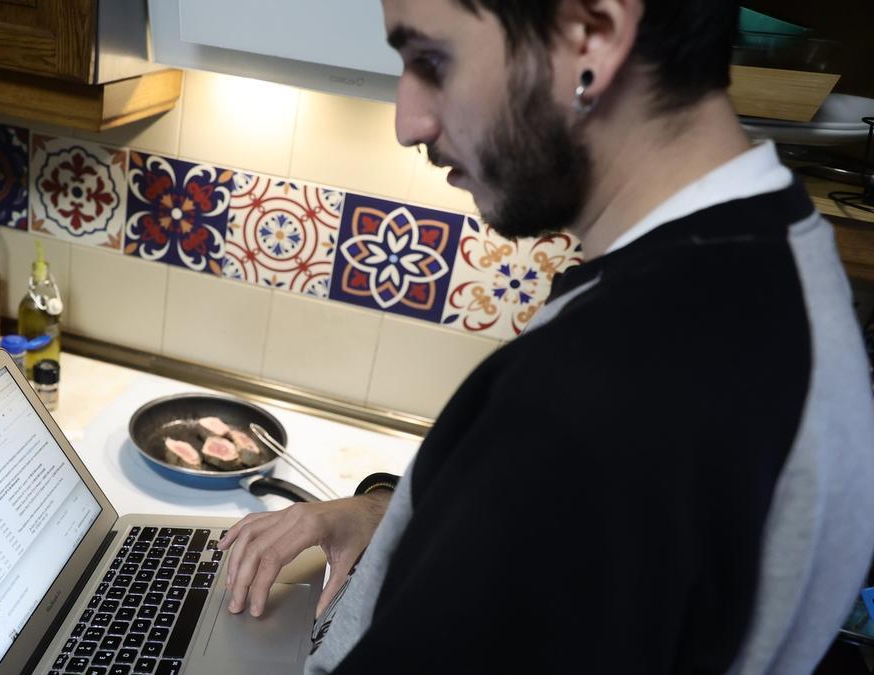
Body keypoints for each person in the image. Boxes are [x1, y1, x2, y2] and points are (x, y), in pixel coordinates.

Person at [219, 0, 874, 672]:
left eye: (431, 61)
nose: (408, 122)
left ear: (593, 33)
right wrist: (391, 517)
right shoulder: (768, 260)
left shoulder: (609, 394)